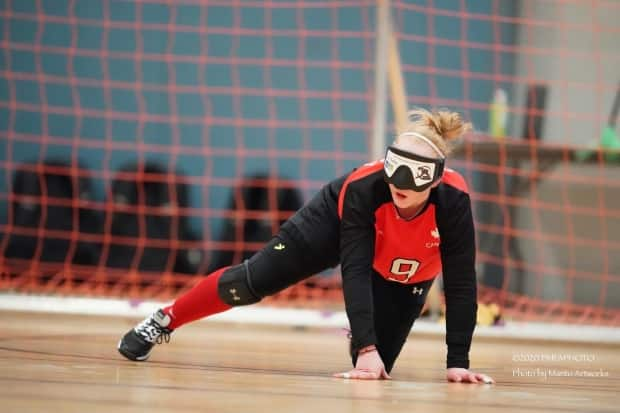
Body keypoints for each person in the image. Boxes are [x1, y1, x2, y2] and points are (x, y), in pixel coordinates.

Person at [117, 108, 495, 384]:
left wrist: (457, 362)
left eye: (416, 174)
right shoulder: (364, 189)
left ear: (435, 181)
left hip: (406, 260)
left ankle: (362, 337)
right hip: (331, 226)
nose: (400, 180)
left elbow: (461, 284)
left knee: (379, 372)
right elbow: (355, 269)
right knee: (252, 281)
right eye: (394, 165)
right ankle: (164, 319)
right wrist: (366, 348)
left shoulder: (454, 203)